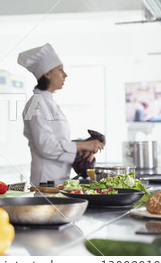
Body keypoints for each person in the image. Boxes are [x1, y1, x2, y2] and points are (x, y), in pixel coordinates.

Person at [18, 43, 104, 186]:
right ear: (47, 73)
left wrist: (83, 148)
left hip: (58, 179)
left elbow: (58, 141)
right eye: (60, 70)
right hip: (46, 182)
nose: (65, 75)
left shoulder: (48, 102)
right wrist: (81, 146)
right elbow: (45, 146)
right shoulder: (37, 104)